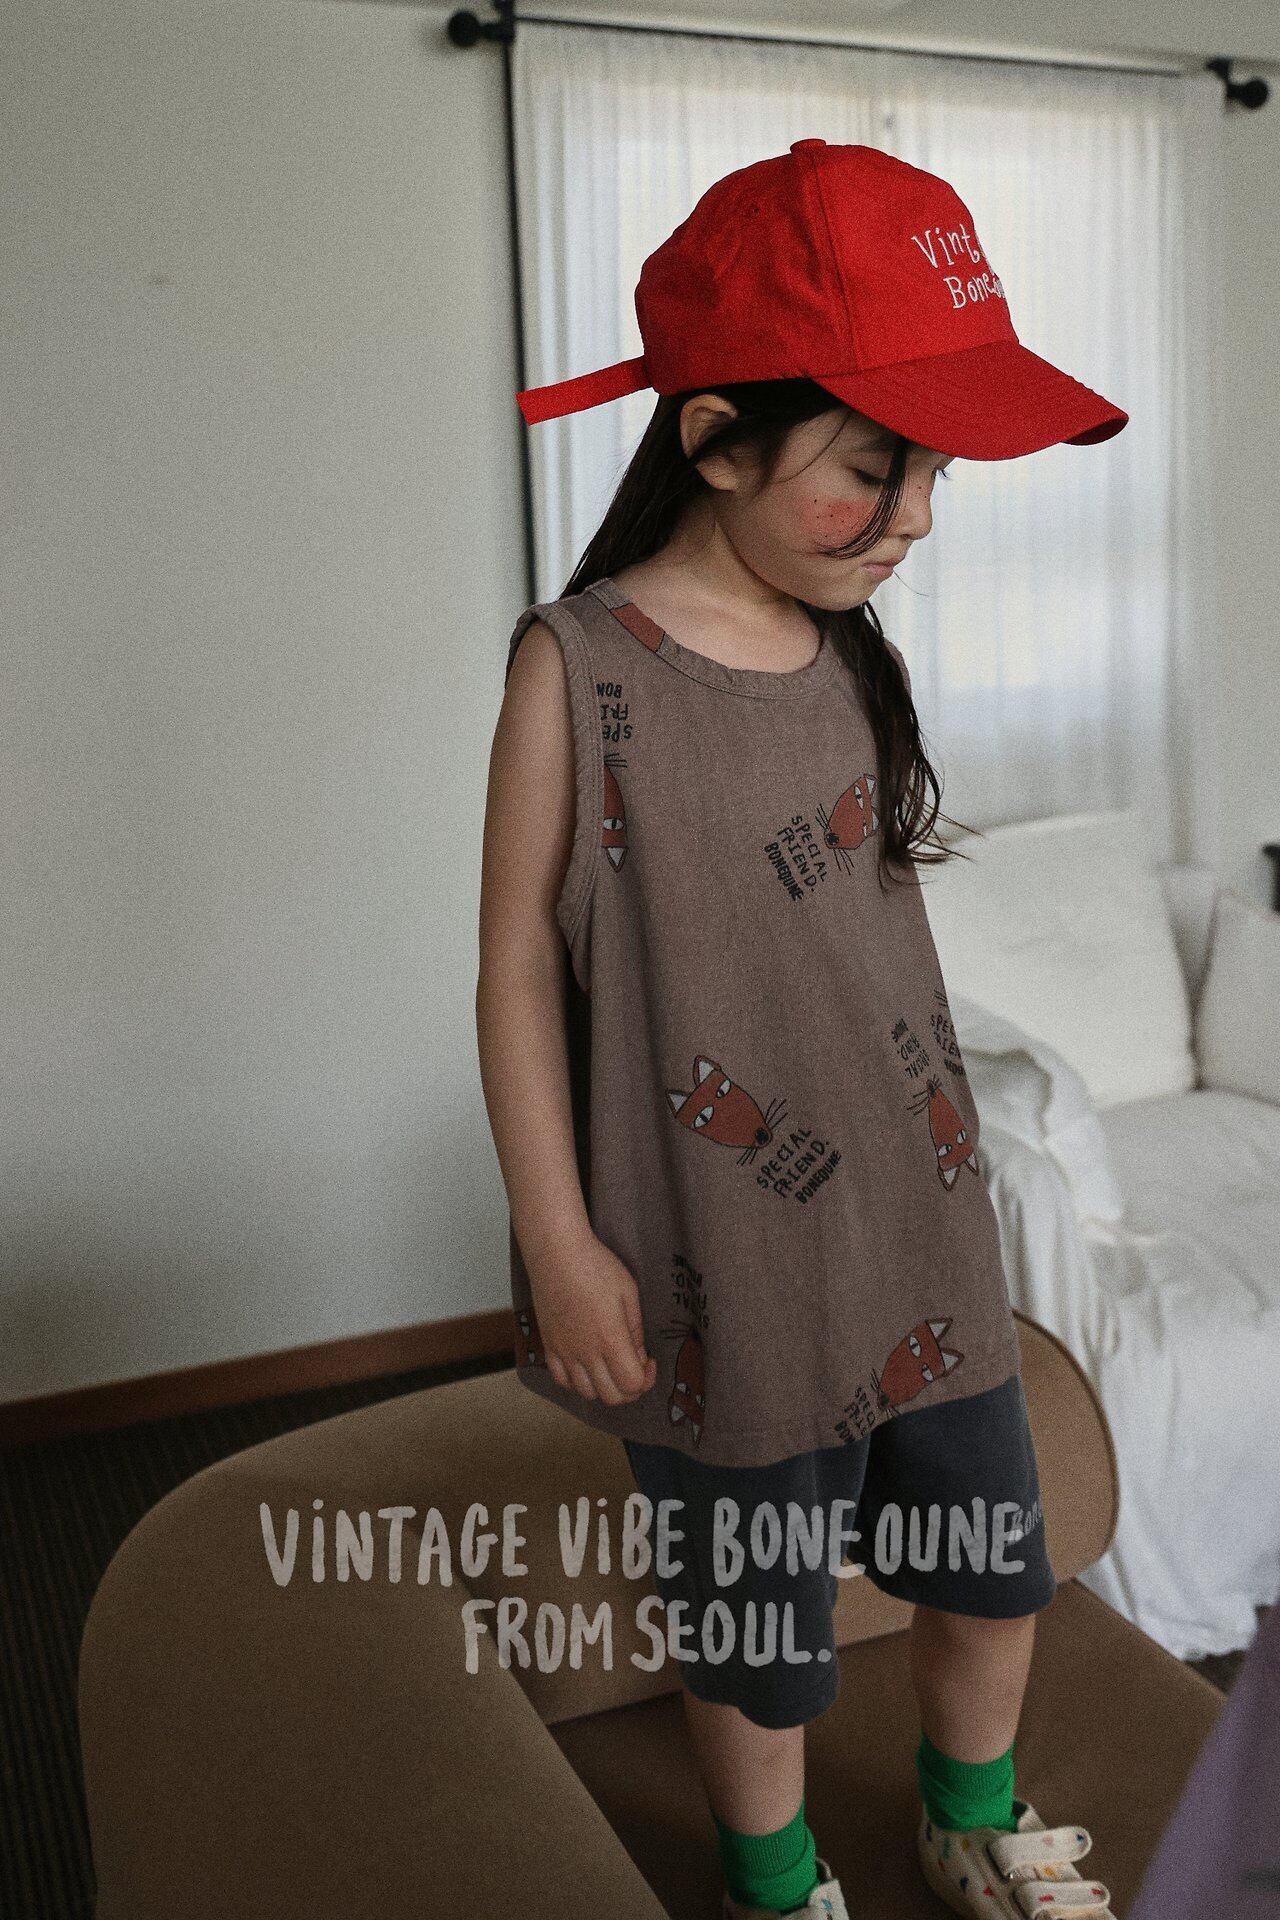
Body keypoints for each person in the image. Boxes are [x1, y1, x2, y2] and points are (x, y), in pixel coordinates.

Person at [477, 139, 1128, 1920]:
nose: (914, 517)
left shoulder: (847, 642)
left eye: (932, 475)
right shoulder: (579, 667)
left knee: (989, 1564)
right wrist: (559, 1243)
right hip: (714, 1255)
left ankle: (972, 1820)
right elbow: (518, 965)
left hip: (922, 1221)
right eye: (871, 471)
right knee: (758, 1630)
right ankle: (775, 1885)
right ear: (715, 439)